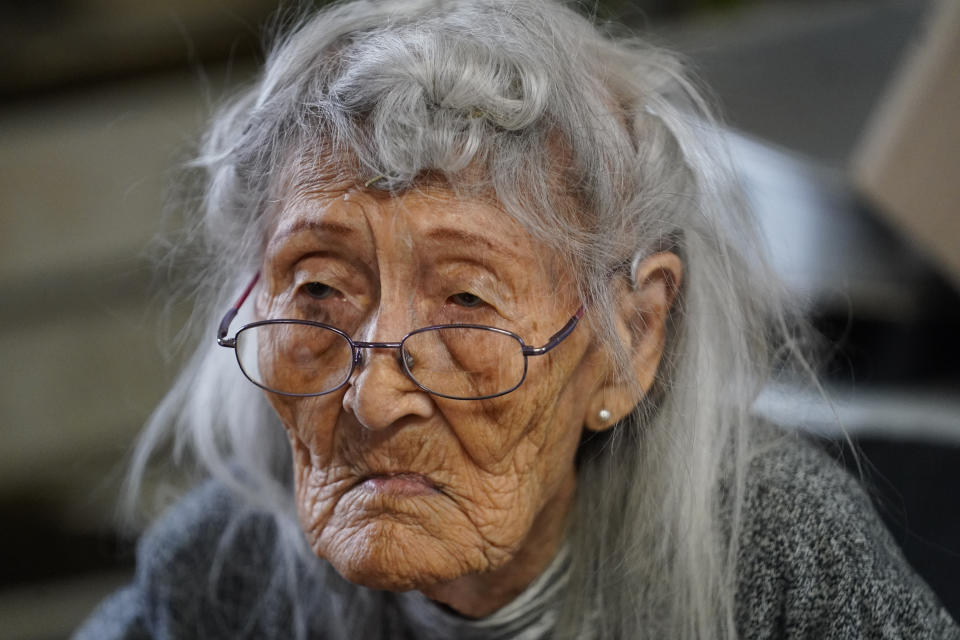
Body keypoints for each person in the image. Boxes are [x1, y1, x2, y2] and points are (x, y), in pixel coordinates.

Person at [75, 1, 959, 638]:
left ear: (632, 338)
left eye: (466, 303)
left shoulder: (769, 565)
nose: (374, 400)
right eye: (316, 293)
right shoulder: (225, 579)